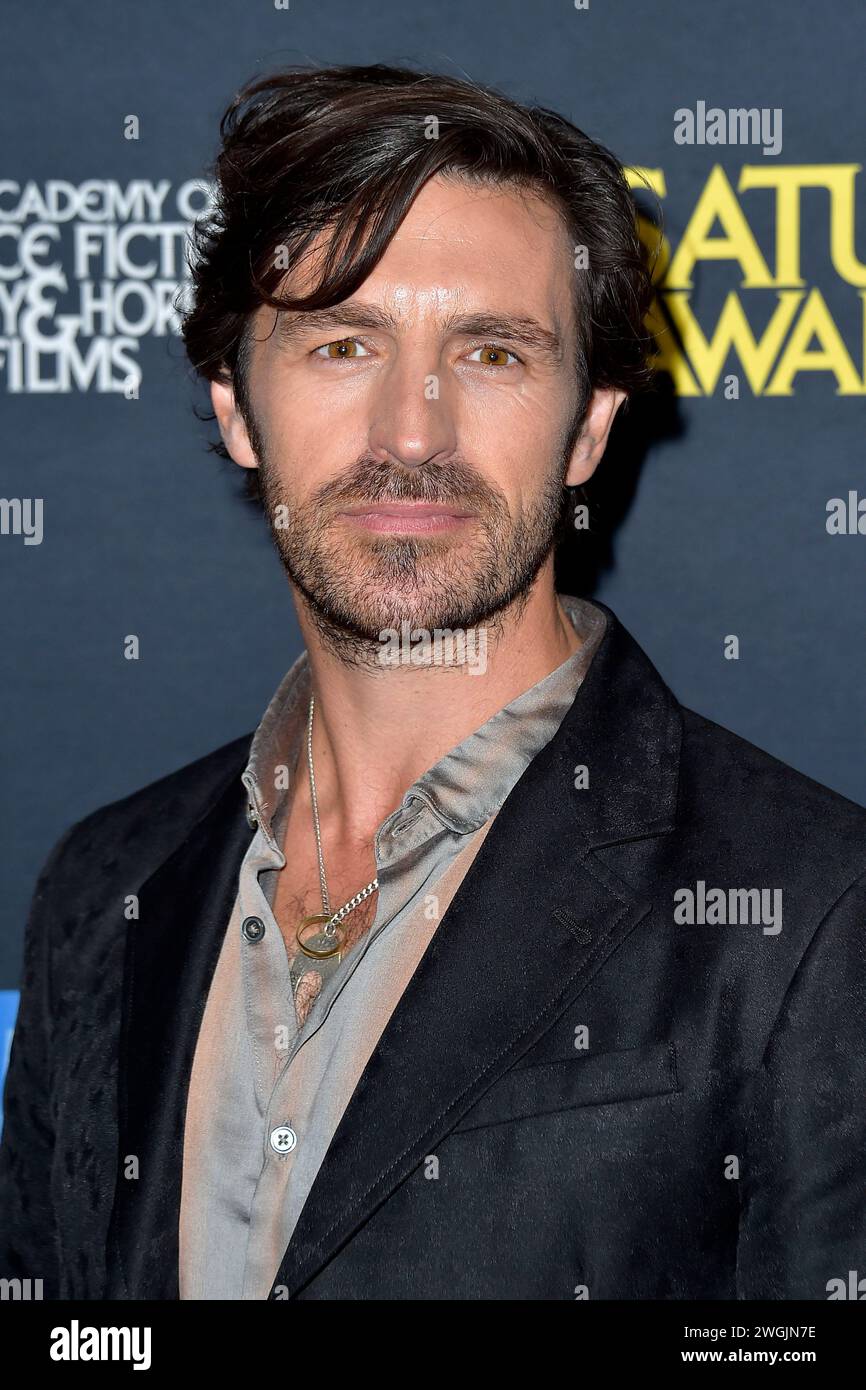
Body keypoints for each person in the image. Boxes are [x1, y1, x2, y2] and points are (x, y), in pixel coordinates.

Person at [2, 63, 864, 1302]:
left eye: (493, 353)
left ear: (585, 429)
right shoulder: (105, 888)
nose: (413, 433)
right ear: (236, 406)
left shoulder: (812, 913)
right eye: (343, 343)